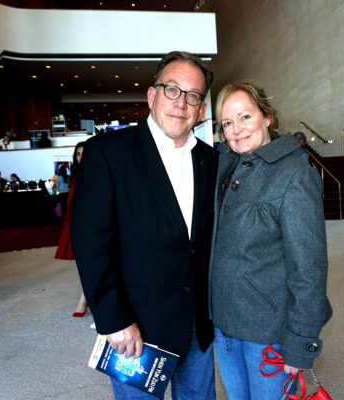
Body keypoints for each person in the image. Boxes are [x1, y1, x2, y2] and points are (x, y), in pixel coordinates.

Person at [71, 51, 218, 400]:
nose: (181, 103)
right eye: (172, 90)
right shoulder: (107, 152)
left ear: (200, 109)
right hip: (136, 331)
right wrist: (113, 320)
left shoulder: (212, 160)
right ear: (152, 96)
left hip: (199, 327)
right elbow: (91, 244)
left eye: (193, 95)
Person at [210, 80, 332, 399]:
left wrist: (300, 343)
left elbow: (309, 269)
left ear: (267, 117)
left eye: (245, 117)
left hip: (267, 333)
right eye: (227, 122)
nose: (236, 129)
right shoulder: (225, 170)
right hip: (224, 327)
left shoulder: (293, 174)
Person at [54, 142, 89, 318]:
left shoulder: (98, 173)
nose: (80, 157)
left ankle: (84, 299)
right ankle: (86, 298)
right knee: (84, 264)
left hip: (96, 225)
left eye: (84, 153)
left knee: (94, 264)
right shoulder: (75, 176)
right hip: (79, 225)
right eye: (77, 154)